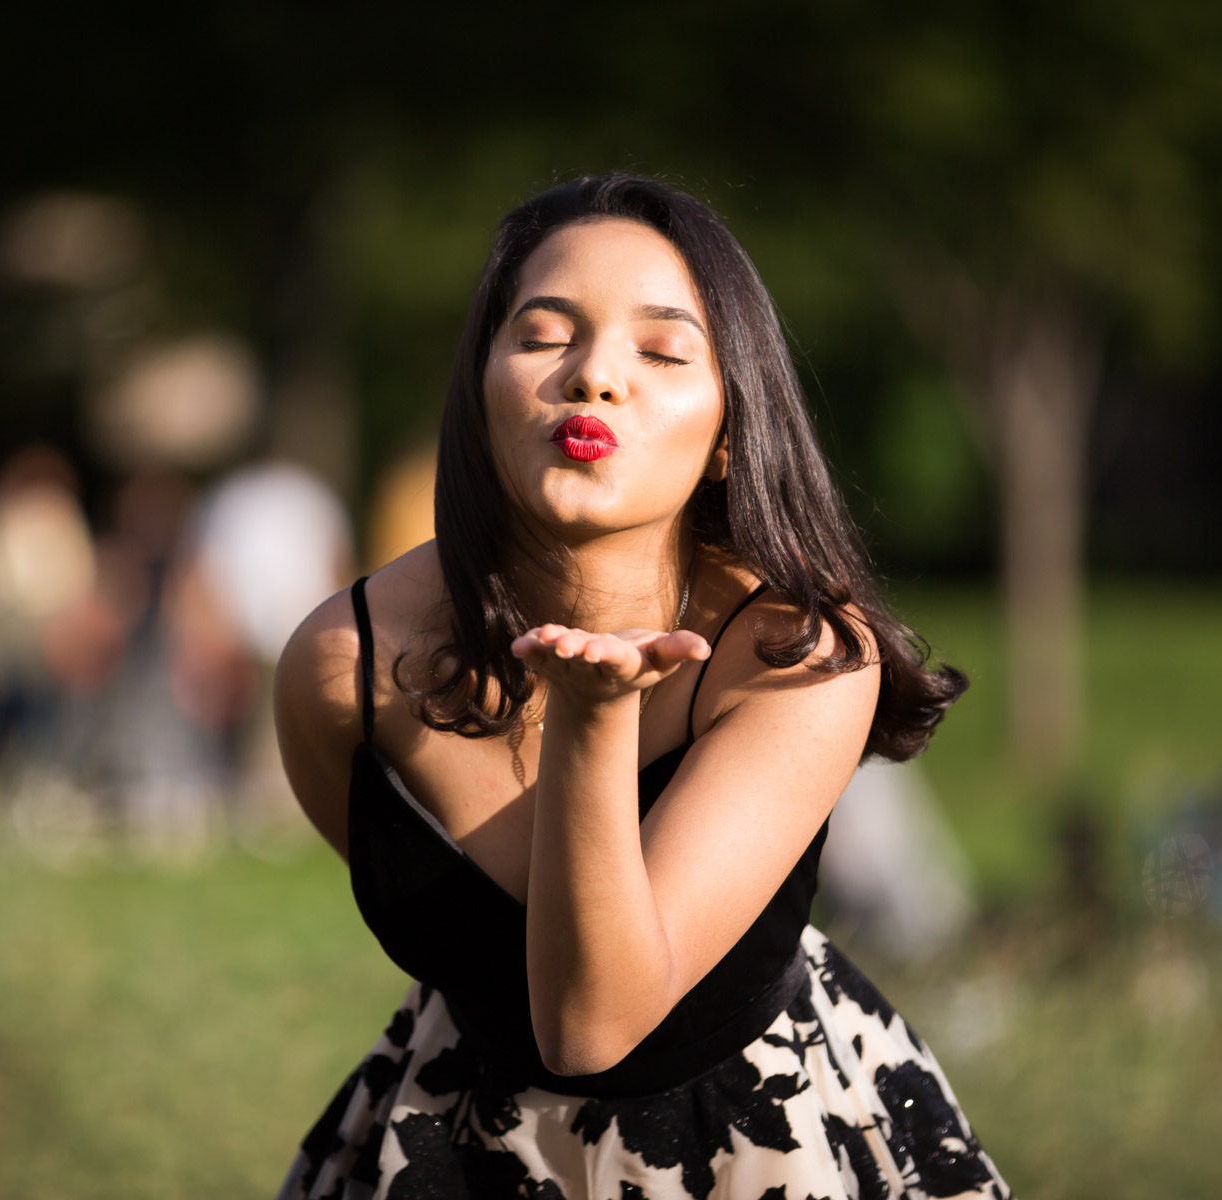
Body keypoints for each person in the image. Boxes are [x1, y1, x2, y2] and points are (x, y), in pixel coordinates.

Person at [271, 175, 1011, 1200]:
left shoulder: (797, 656)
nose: (594, 378)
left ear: (725, 439)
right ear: (479, 387)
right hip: (451, 1144)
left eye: (661, 352)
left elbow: (591, 1027)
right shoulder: (343, 665)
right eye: (541, 336)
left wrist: (591, 720)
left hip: (759, 1145)